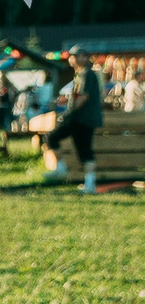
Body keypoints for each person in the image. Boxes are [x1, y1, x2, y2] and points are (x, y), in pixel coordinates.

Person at [47, 47, 106, 194]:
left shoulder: (86, 73)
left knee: (53, 137)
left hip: (81, 118)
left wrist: (69, 112)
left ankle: (61, 169)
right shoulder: (80, 73)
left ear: (84, 57)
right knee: (84, 151)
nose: (72, 59)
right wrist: (68, 101)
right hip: (85, 118)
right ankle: (89, 184)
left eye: (75, 56)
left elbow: (83, 97)